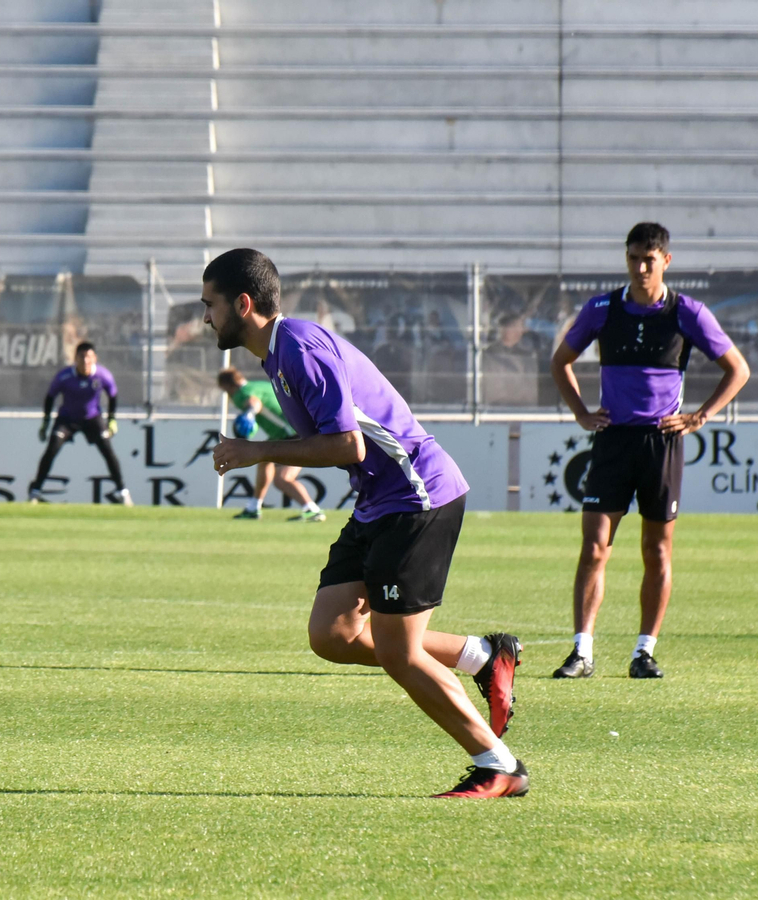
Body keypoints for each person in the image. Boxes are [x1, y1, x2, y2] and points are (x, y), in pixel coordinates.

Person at [203, 248, 527, 799]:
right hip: (380, 500)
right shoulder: (277, 355)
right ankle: (482, 655)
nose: (204, 317)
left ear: (243, 303)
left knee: (401, 653)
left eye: (209, 304)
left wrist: (256, 451)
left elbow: (346, 444)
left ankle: (499, 766)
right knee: (333, 634)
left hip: (416, 496)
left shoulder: (299, 348)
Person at [549, 222, 750, 680]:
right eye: (634, 259)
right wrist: (581, 412)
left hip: (662, 444)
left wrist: (698, 417)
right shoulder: (601, 309)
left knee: (656, 551)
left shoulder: (687, 313)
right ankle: (582, 652)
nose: (641, 268)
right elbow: (560, 361)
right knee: (595, 547)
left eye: (650, 259)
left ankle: (644, 651)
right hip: (614, 441)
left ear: (666, 261)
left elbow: (737, 369)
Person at [215, 367, 326, 522]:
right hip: (289, 432)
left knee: (282, 479)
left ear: (227, 387)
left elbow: (254, 402)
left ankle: (312, 510)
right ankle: (253, 508)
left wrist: (249, 413)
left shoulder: (242, 394)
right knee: (263, 461)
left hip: (294, 434)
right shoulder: (259, 385)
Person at [28, 342, 132, 506]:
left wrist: (112, 420)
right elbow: (50, 397)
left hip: (92, 418)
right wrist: (46, 422)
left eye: (89, 357)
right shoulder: (64, 376)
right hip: (67, 419)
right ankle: (35, 492)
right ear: (75, 358)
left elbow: (113, 395)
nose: (85, 361)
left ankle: (123, 493)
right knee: (52, 449)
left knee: (108, 452)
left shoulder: (103, 375)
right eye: (81, 357)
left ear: (95, 358)